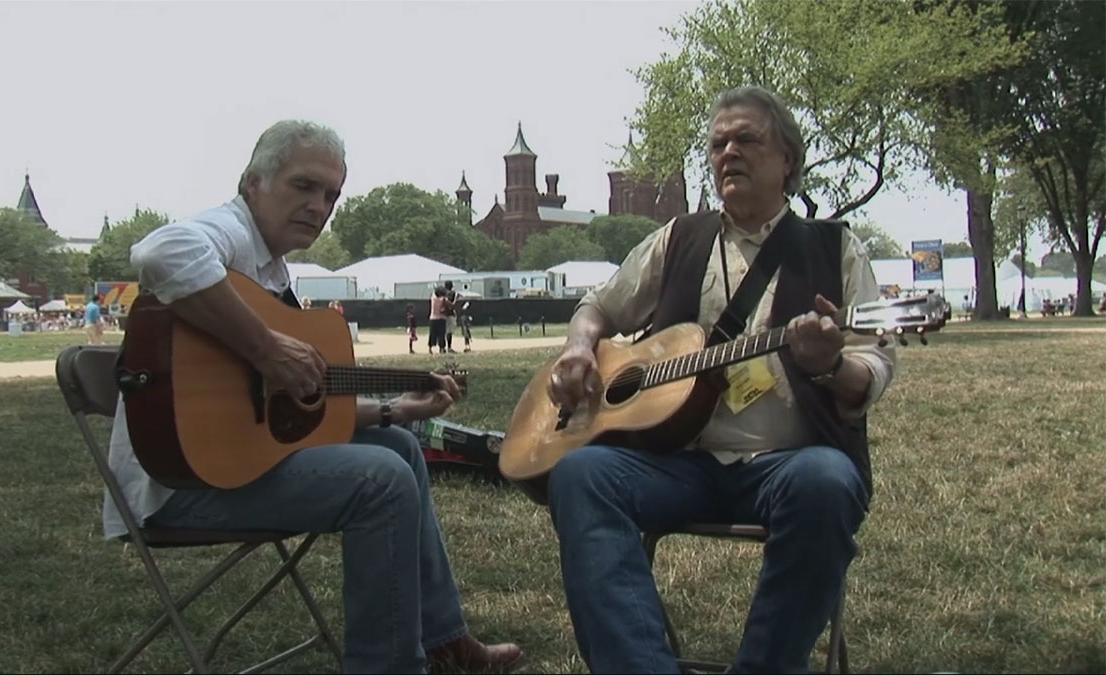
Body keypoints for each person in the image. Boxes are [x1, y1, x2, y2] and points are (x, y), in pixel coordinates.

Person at [104, 120, 521, 674]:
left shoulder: (273, 274)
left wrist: (396, 408)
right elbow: (162, 252)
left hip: (233, 463)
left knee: (397, 446)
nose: (319, 205)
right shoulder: (227, 234)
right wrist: (267, 348)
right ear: (253, 182)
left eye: (331, 195)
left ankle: (443, 636)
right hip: (178, 483)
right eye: (304, 186)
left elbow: (281, 416)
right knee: (381, 479)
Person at [542, 86, 897, 674]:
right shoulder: (680, 237)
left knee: (828, 483)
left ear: (787, 159)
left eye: (746, 140)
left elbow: (874, 370)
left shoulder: (835, 249)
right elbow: (598, 307)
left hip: (790, 462)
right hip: (675, 462)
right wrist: (581, 345)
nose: (728, 153)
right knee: (582, 473)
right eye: (718, 144)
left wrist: (829, 366)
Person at [428, 286, 449, 355]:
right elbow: (449, 304)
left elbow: (433, 293)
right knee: (441, 334)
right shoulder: (444, 299)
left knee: (432, 334)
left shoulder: (433, 298)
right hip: (442, 318)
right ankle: (442, 348)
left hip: (433, 318)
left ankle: (430, 348)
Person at [443, 280, 459, 353]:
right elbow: (453, 304)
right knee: (449, 332)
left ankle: (442, 347)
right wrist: (456, 297)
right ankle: (449, 347)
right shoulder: (452, 293)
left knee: (443, 332)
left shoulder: (442, 293)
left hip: (442, 314)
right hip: (450, 314)